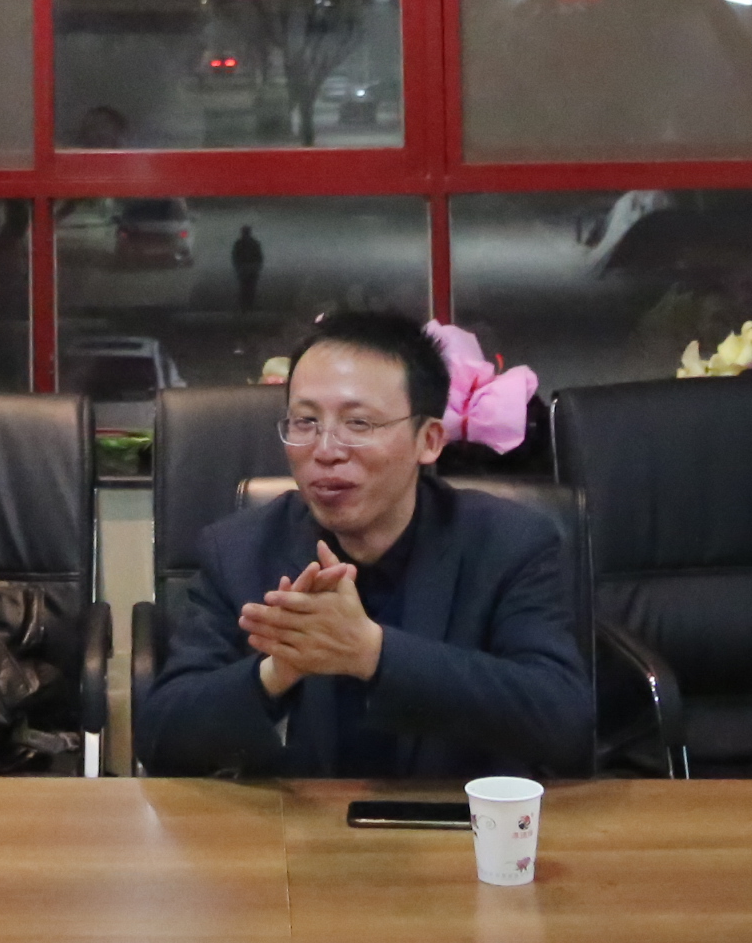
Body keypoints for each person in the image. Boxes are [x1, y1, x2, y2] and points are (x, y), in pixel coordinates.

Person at [135, 307, 590, 781]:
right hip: (297, 823)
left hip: (451, 819)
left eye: (359, 424)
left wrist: (372, 652)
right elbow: (162, 739)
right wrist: (276, 672)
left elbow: (564, 722)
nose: (326, 450)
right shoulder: (239, 550)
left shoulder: (508, 544)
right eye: (305, 422)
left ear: (429, 440)